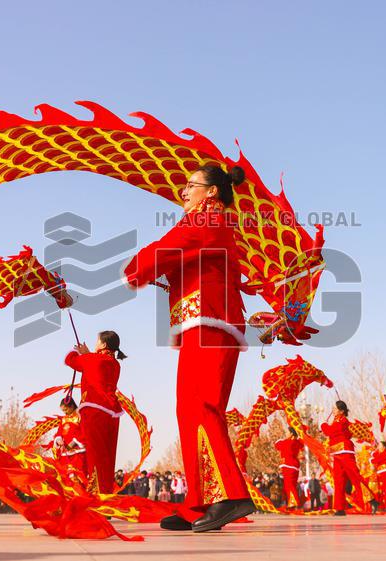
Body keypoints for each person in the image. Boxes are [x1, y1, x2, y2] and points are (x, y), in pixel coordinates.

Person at [124, 165, 254, 532]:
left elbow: (169, 248)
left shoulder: (209, 221)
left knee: (204, 405)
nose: (184, 192)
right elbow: (178, 256)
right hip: (198, 324)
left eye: (191, 186)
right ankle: (199, 503)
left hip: (212, 323)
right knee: (187, 410)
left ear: (212, 192)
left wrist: (136, 269)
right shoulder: (203, 223)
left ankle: (230, 496)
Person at [65, 330, 126, 494]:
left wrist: (78, 352)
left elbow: (70, 360)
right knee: (107, 456)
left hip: (94, 410)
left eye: (97, 341)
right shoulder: (115, 364)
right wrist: (88, 354)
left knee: (94, 454)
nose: (95, 344)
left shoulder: (92, 359)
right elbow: (95, 366)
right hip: (112, 413)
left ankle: (96, 497)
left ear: (104, 344)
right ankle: (105, 495)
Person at [321, 400, 366, 515]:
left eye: (335, 408)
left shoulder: (343, 421)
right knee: (338, 481)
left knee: (355, 476)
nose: (333, 410)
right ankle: (339, 508)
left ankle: (368, 500)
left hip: (345, 451)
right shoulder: (336, 420)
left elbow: (331, 431)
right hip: (337, 453)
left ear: (341, 411)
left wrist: (323, 425)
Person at [50, 396, 86, 484]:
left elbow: (85, 432)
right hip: (65, 451)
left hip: (77, 452)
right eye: (63, 411)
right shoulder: (63, 419)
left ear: (72, 406)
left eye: (66, 410)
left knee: (76, 476)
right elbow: (59, 432)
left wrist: (73, 443)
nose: (65, 412)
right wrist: (58, 440)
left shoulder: (80, 416)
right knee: (65, 476)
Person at [274, 428, 303, 510]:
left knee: (289, 485)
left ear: (291, 434)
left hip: (288, 465)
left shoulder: (287, 442)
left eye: (287, 432)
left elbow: (277, 444)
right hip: (295, 466)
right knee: (292, 485)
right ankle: (291, 504)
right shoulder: (298, 442)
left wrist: (282, 439)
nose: (286, 434)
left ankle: (295, 503)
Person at [371, 441, 386, 511]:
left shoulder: (385, 453)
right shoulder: (379, 453)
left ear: (384, 447)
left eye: (380, 445)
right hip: (381, 472)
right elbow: (374, 455)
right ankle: (385, 505)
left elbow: (376, 459)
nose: (378, 446)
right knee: (383, 489)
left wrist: (371, 460)